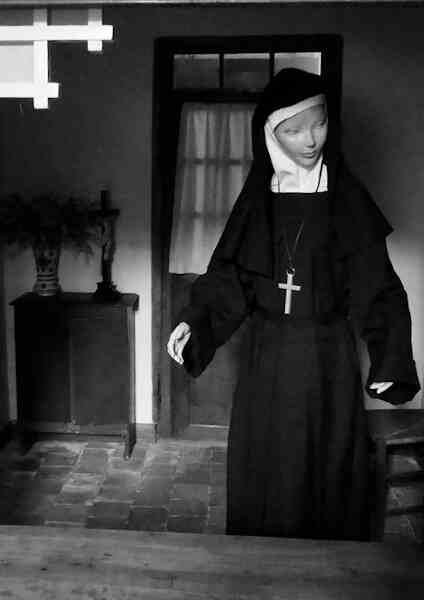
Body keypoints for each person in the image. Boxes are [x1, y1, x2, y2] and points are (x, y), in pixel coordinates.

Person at [166, 68, 420, 541]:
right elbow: (230, 280)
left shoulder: (346, 197)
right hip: (267, 358)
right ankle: (263, 564)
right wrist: (195, 323)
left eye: (319, 123)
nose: (310, 139)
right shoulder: (258, 200)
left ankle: (328, 568)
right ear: (270, 135)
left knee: (326, 464)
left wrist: (390, 355)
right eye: (294, 129)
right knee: (267, 463)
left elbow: (378, 286)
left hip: (328, 358)